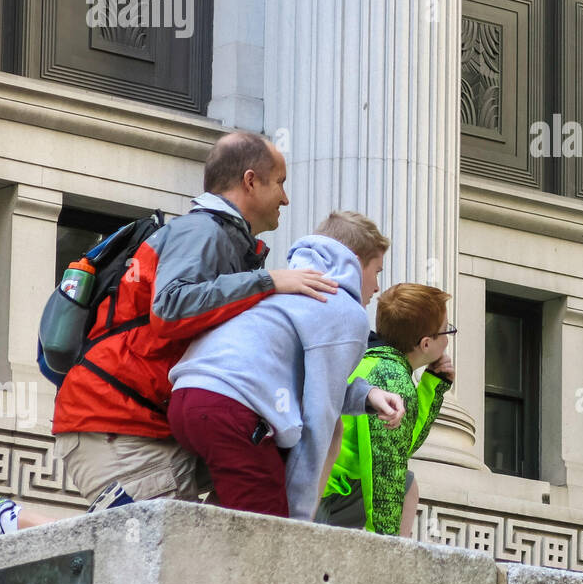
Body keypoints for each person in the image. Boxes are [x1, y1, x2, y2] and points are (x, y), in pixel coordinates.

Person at [0, 131, 335, 545]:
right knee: (152, 548)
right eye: (280, 182)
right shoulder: (202, 232)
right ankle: (8, 522)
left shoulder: (219, 239)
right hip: (116, 421)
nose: (286, 198)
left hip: (138, 422)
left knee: (172, 552)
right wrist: (268, 282)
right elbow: (170, 308)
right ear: (250, 181)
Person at [167, 212, 406, 520]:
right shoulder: (342, 309)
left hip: (187, 396)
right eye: (377, 271)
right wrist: (297, 521)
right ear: (355, 262)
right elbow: (319, 416)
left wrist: (365, 395)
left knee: (229, 521)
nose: (376, 288)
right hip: (232, 409)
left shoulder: (286, 287)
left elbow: (292, 375)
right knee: (267, 532)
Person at [318, 283, 455, 537]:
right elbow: (386, 470)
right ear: (426, 344)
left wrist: (432, 386)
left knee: (407, 482)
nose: (448, 339)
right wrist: (386, 550)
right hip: (322, 500)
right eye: (447, 330)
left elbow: (403, 443)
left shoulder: (371, 359)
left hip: (318, 486)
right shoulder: (392, 379)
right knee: (404, 485)